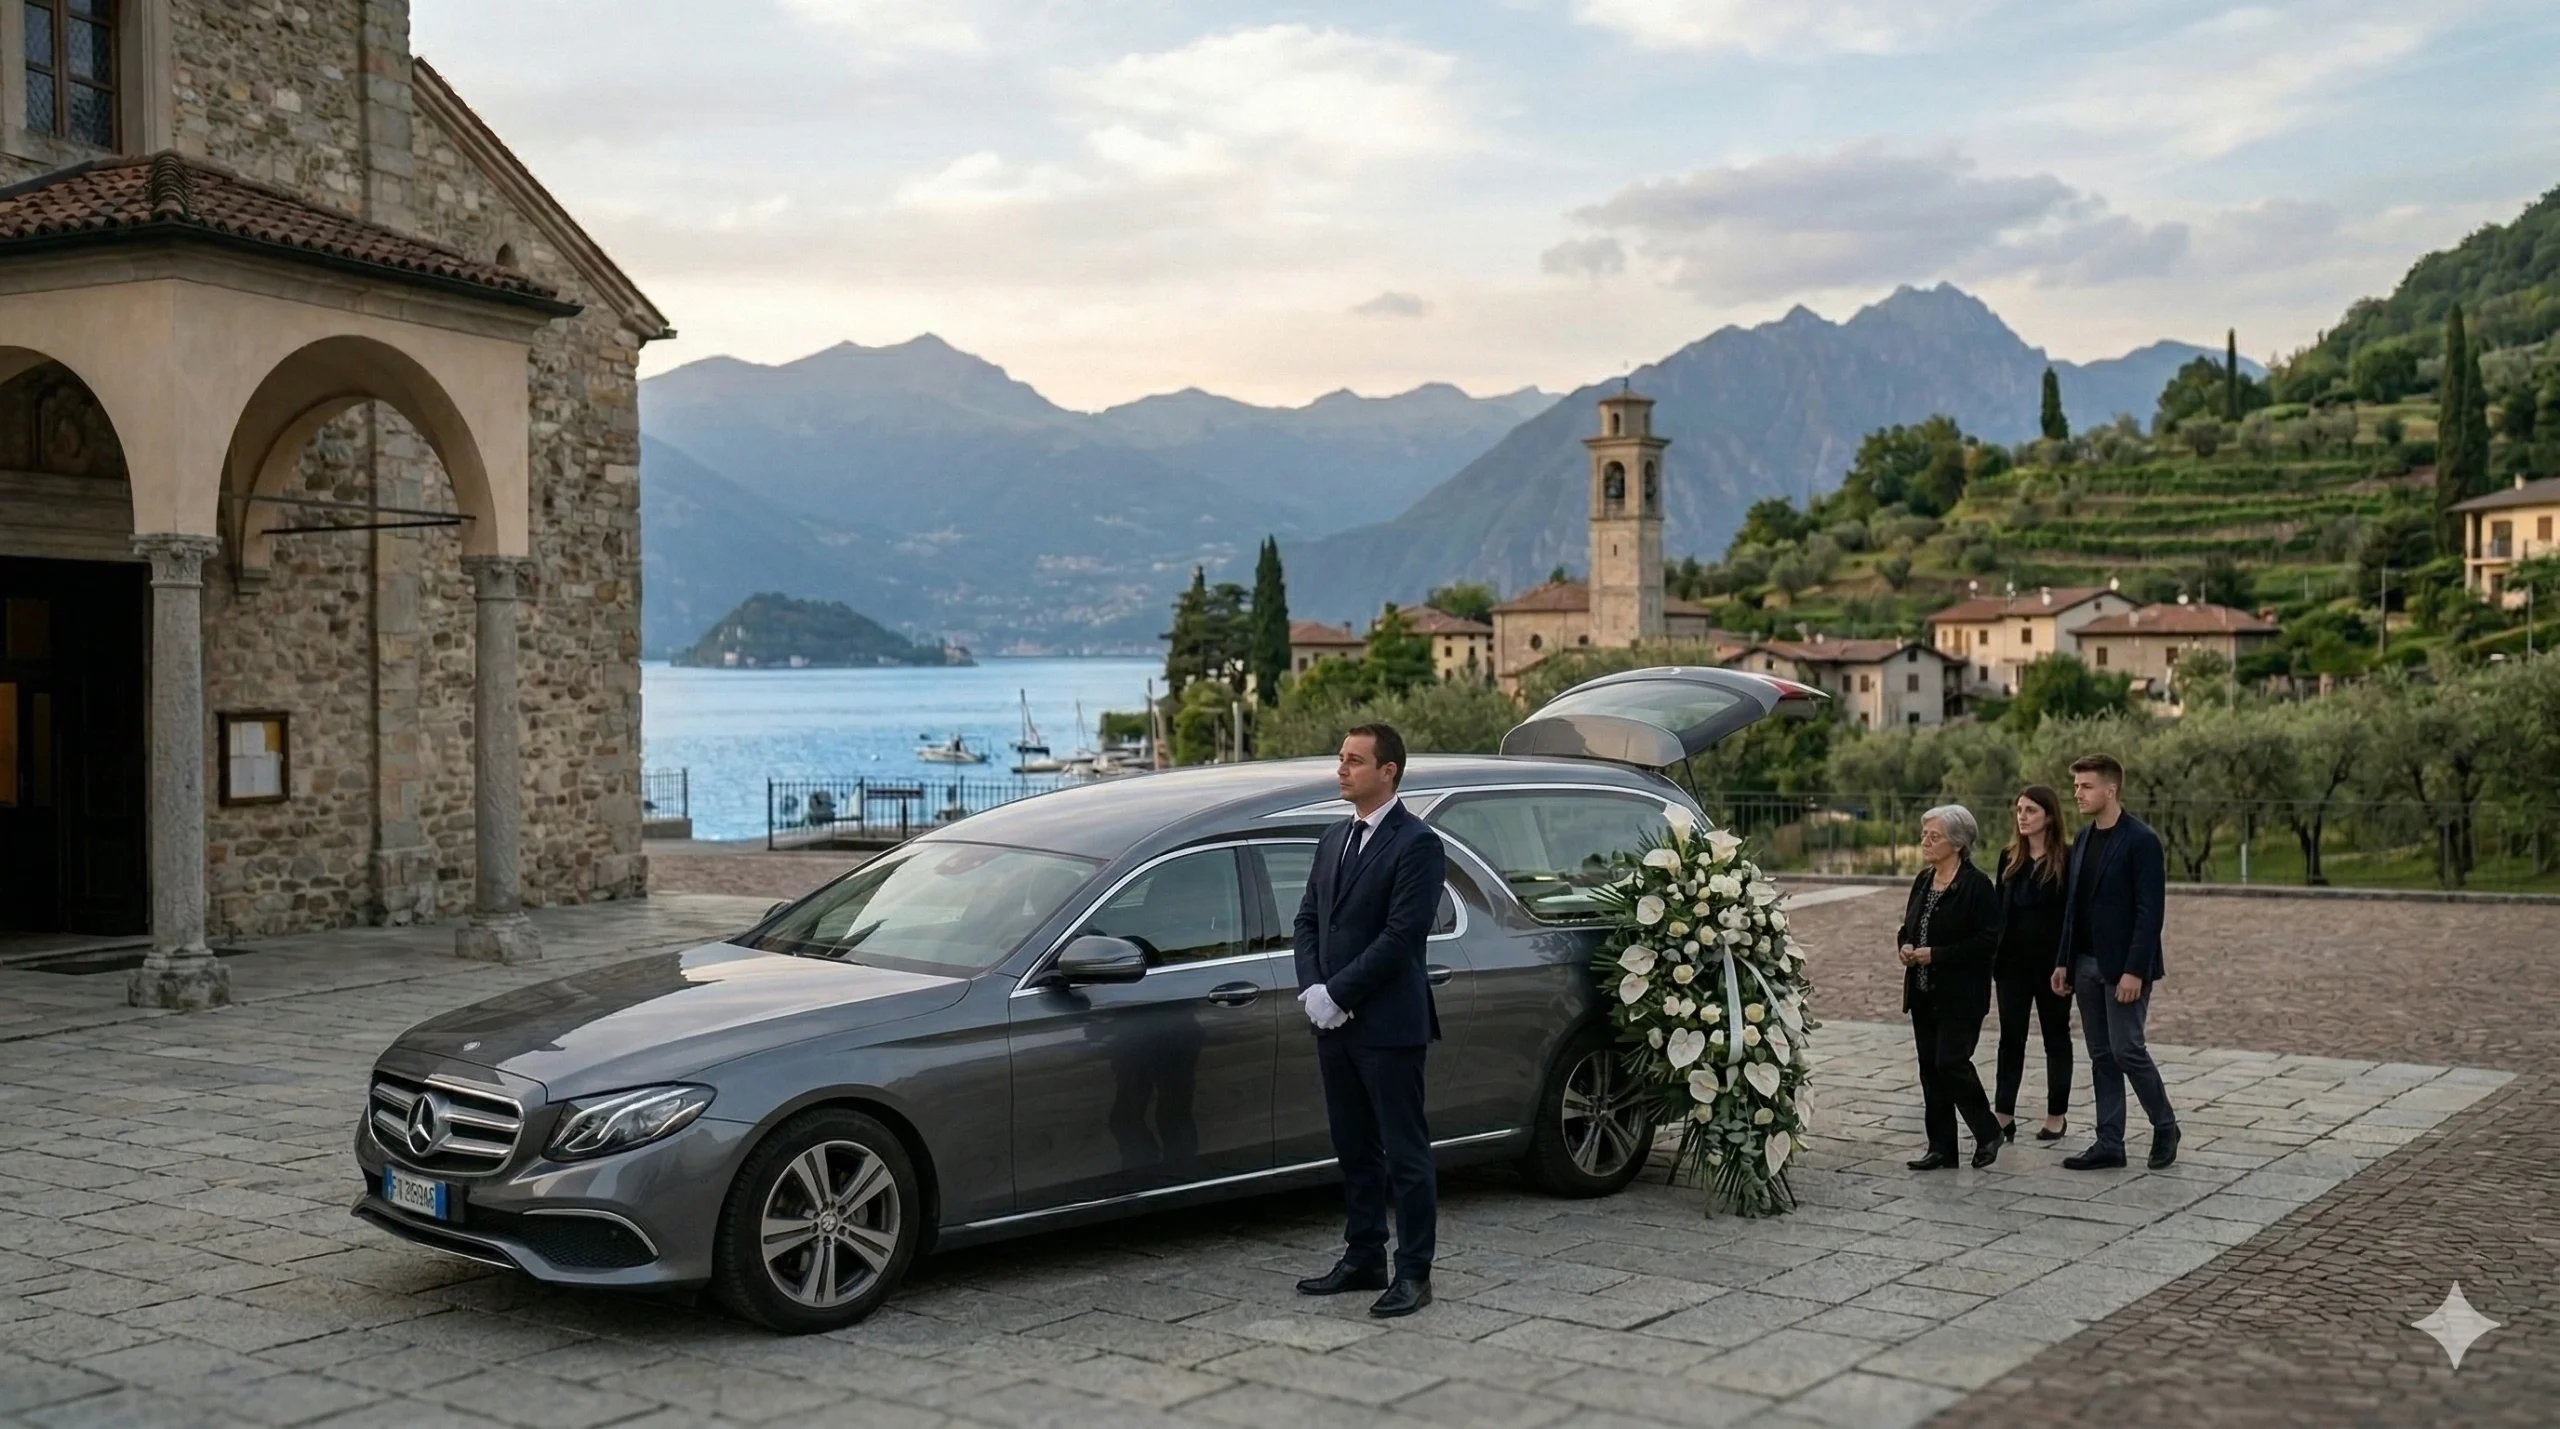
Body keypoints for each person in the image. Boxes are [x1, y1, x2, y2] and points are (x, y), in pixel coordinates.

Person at [1292, 722, 1446, 1317]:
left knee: (1404, 1154)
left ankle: (1414, 1272)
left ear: (1389, 772)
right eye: (1340, 759)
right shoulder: (1333, 837)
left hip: (1388, 1025)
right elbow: (1307, 920)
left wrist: (1341, 992)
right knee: (1353, 1148)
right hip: (1333, 1022)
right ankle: (1363, 1257)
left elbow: (1402, 937)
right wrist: (1314, 990)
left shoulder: (1418, 844)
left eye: (1354, 761)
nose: (1341, 769)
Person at [2049, 753, 2179, 1171]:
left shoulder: (2142, 841)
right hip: (2084, 964)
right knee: (2101, 1054)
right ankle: (2110, 1142)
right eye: (2076, 787)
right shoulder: (2084, 839)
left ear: (2111, 789)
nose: (2078, 794)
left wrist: (2134, 971)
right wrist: (2062, 961)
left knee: (2128, 1050)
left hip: (2124, 968)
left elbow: (2149, 913)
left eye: (2086, 787)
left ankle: (2165, 1125)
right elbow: (2073, 907)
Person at [1898, 804, 2005, 1171]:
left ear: (1958, 843)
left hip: (1961, 996)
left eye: (1934, 836)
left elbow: (1987, 942)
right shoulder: (1923, 880)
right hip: (1923, 992)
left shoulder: (1976, 886)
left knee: (1951, 1062)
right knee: (1930, 1068)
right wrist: (1906, 947)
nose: (1925, 841)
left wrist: (1937, 955)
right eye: (1925, 834)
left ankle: (1988, 1130)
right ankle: (1941, 1147)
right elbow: (1908, 926)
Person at [1993, 785, 2074, 1143]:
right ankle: (2003, 1114)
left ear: (2050, 817)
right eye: (2019, 810)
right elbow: (1999, 913)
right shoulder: (2008, 859)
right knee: (2011, 1038)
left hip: (2053, 966)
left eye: (2031, 811)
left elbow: (2074, 916)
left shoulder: (2068, 860)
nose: (2022, 817)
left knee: (2056, 1038)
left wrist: (2066, 961)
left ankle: (2056, 1114)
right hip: (2012, 965)